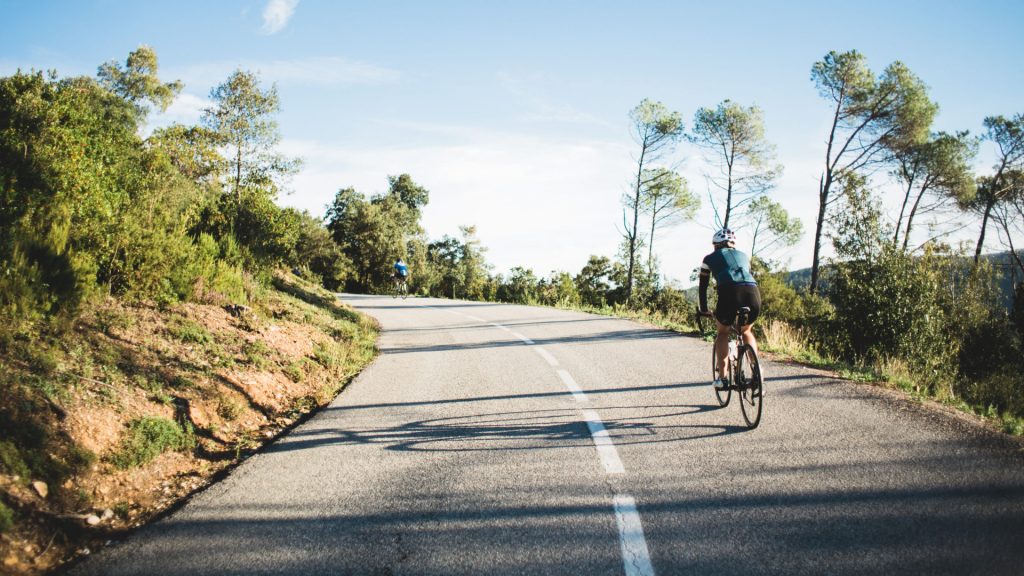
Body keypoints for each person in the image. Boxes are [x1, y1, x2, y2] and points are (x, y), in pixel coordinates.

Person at [698, 228, 761, 389]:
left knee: (723, 332)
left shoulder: (709, 258)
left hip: (729, 291)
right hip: (753, 291)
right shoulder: (744, 257)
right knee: (746, 331)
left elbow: (703, 287)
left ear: (716, 245)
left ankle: (723, 378)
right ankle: (757, 371)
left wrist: (704, 309)